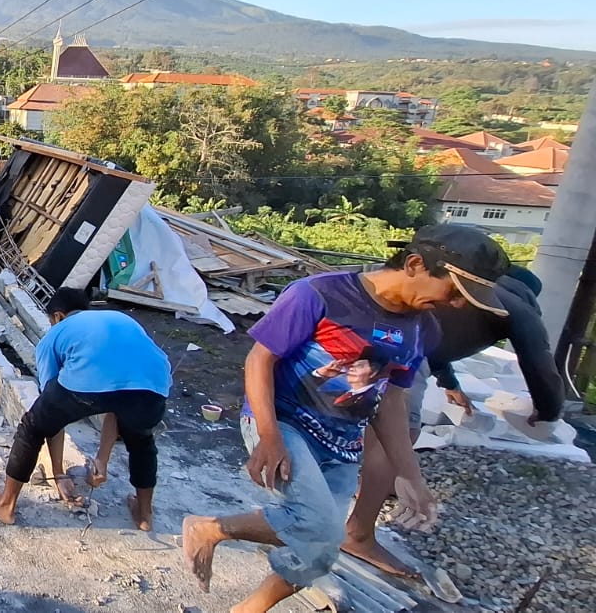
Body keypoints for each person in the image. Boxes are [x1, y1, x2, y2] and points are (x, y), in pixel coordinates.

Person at [182, 224, 509, 612]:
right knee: (317, 526)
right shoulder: (320, 293)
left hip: (342, 443)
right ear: (416, 264)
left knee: (321, 551)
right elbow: (260, 359)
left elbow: (391, 401)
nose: (456, 305)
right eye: (454, 291)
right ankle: (211, 527)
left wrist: (410, 475)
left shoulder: (423, 328)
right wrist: (269, 437)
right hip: (285, 423)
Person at [341, 263, 562, 576]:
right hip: (402, 352)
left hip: (374, 338)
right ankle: (358, 532)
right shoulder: (518, 309)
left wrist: (450, 384)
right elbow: (540, 366)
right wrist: (549, 411)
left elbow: (441, 337)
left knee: (375, 426)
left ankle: (369, 485)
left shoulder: (473, 292)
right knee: (402, 433)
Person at [0, 287, 170, 531]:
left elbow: (50, 414)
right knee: (141, 439)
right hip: (154, 385)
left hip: (90, 386)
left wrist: (59, 474)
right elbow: (117, 404)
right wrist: (101, 459)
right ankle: (144, 514)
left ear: (57, 317)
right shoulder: (121, 320)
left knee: (32, 427)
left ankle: (5, 505)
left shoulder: (56, 333)